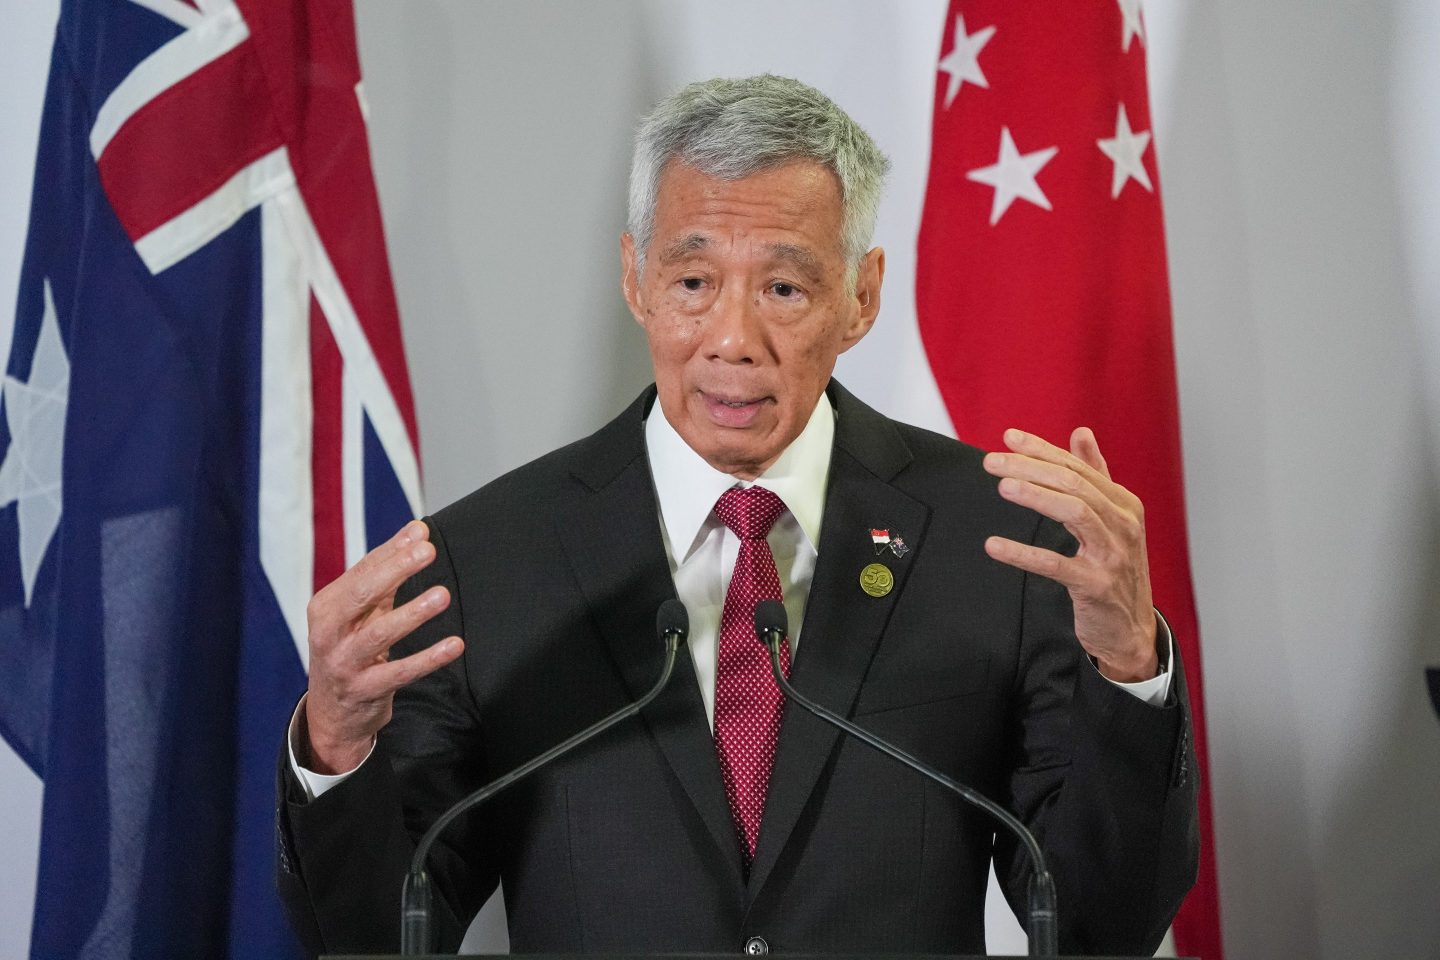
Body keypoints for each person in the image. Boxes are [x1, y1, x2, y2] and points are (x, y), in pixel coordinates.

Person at [276, 74, 1198, 957]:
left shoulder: (997, 541)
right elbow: (373, 935)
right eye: (692, 283)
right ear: (635, 278)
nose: (732, 341)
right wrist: (335, 748)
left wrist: (1128, 669)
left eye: (785, 289)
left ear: (861, 297)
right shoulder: (490, 559)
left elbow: (1099, 923)